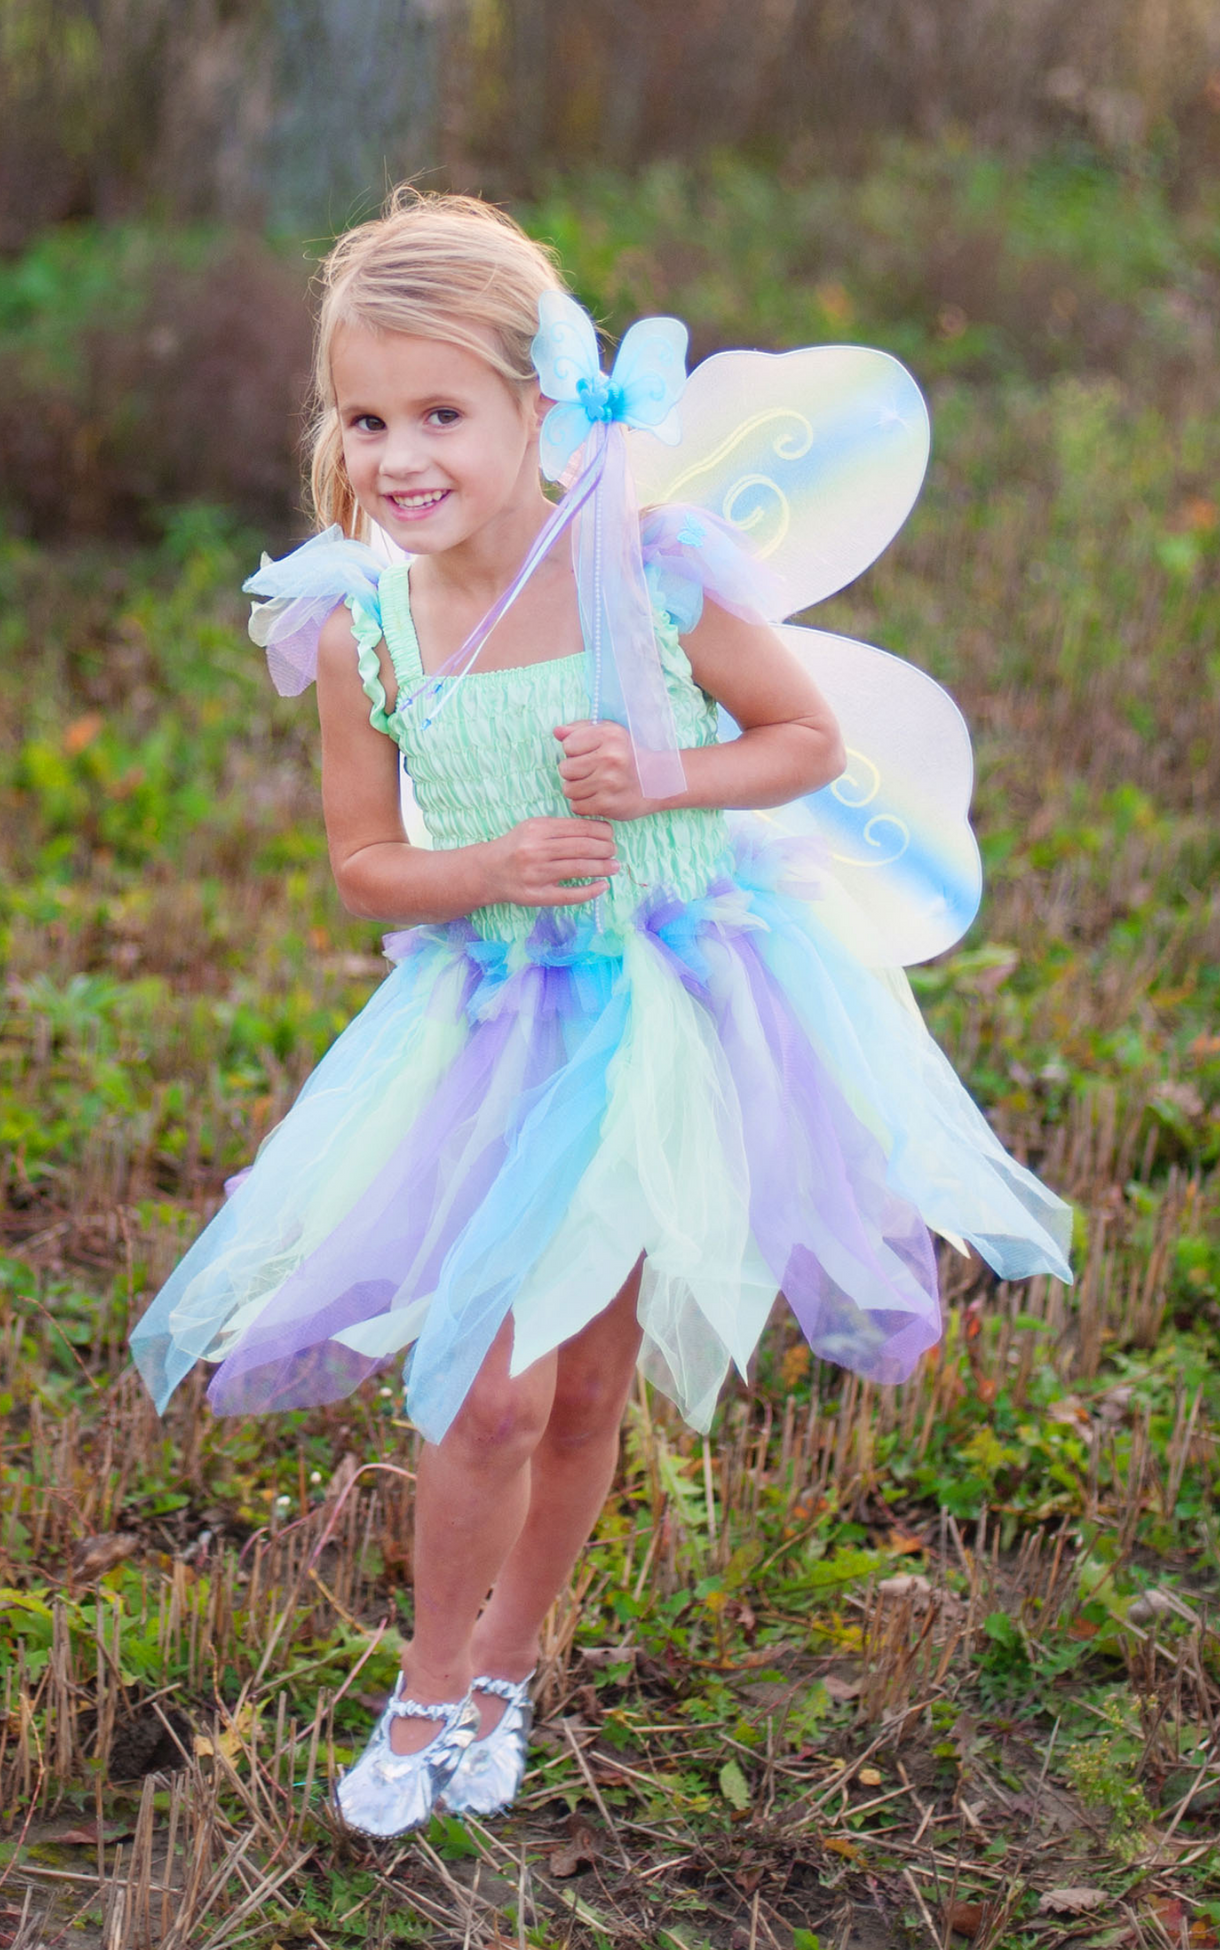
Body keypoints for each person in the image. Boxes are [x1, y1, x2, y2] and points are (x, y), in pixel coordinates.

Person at [130, 188, 1071, 1837]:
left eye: (442, 414)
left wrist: (661, 774)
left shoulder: (644, 567)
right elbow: (362, 864)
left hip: (682, 1004)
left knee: (580, 1388)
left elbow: (801, 743)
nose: (400, 456)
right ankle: (425, 1693)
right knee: (485, 1387)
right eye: (366, 419)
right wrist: (488, 859)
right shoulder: (361, 623)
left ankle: (507, 1670)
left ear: (536, 408)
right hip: (500, 1027)